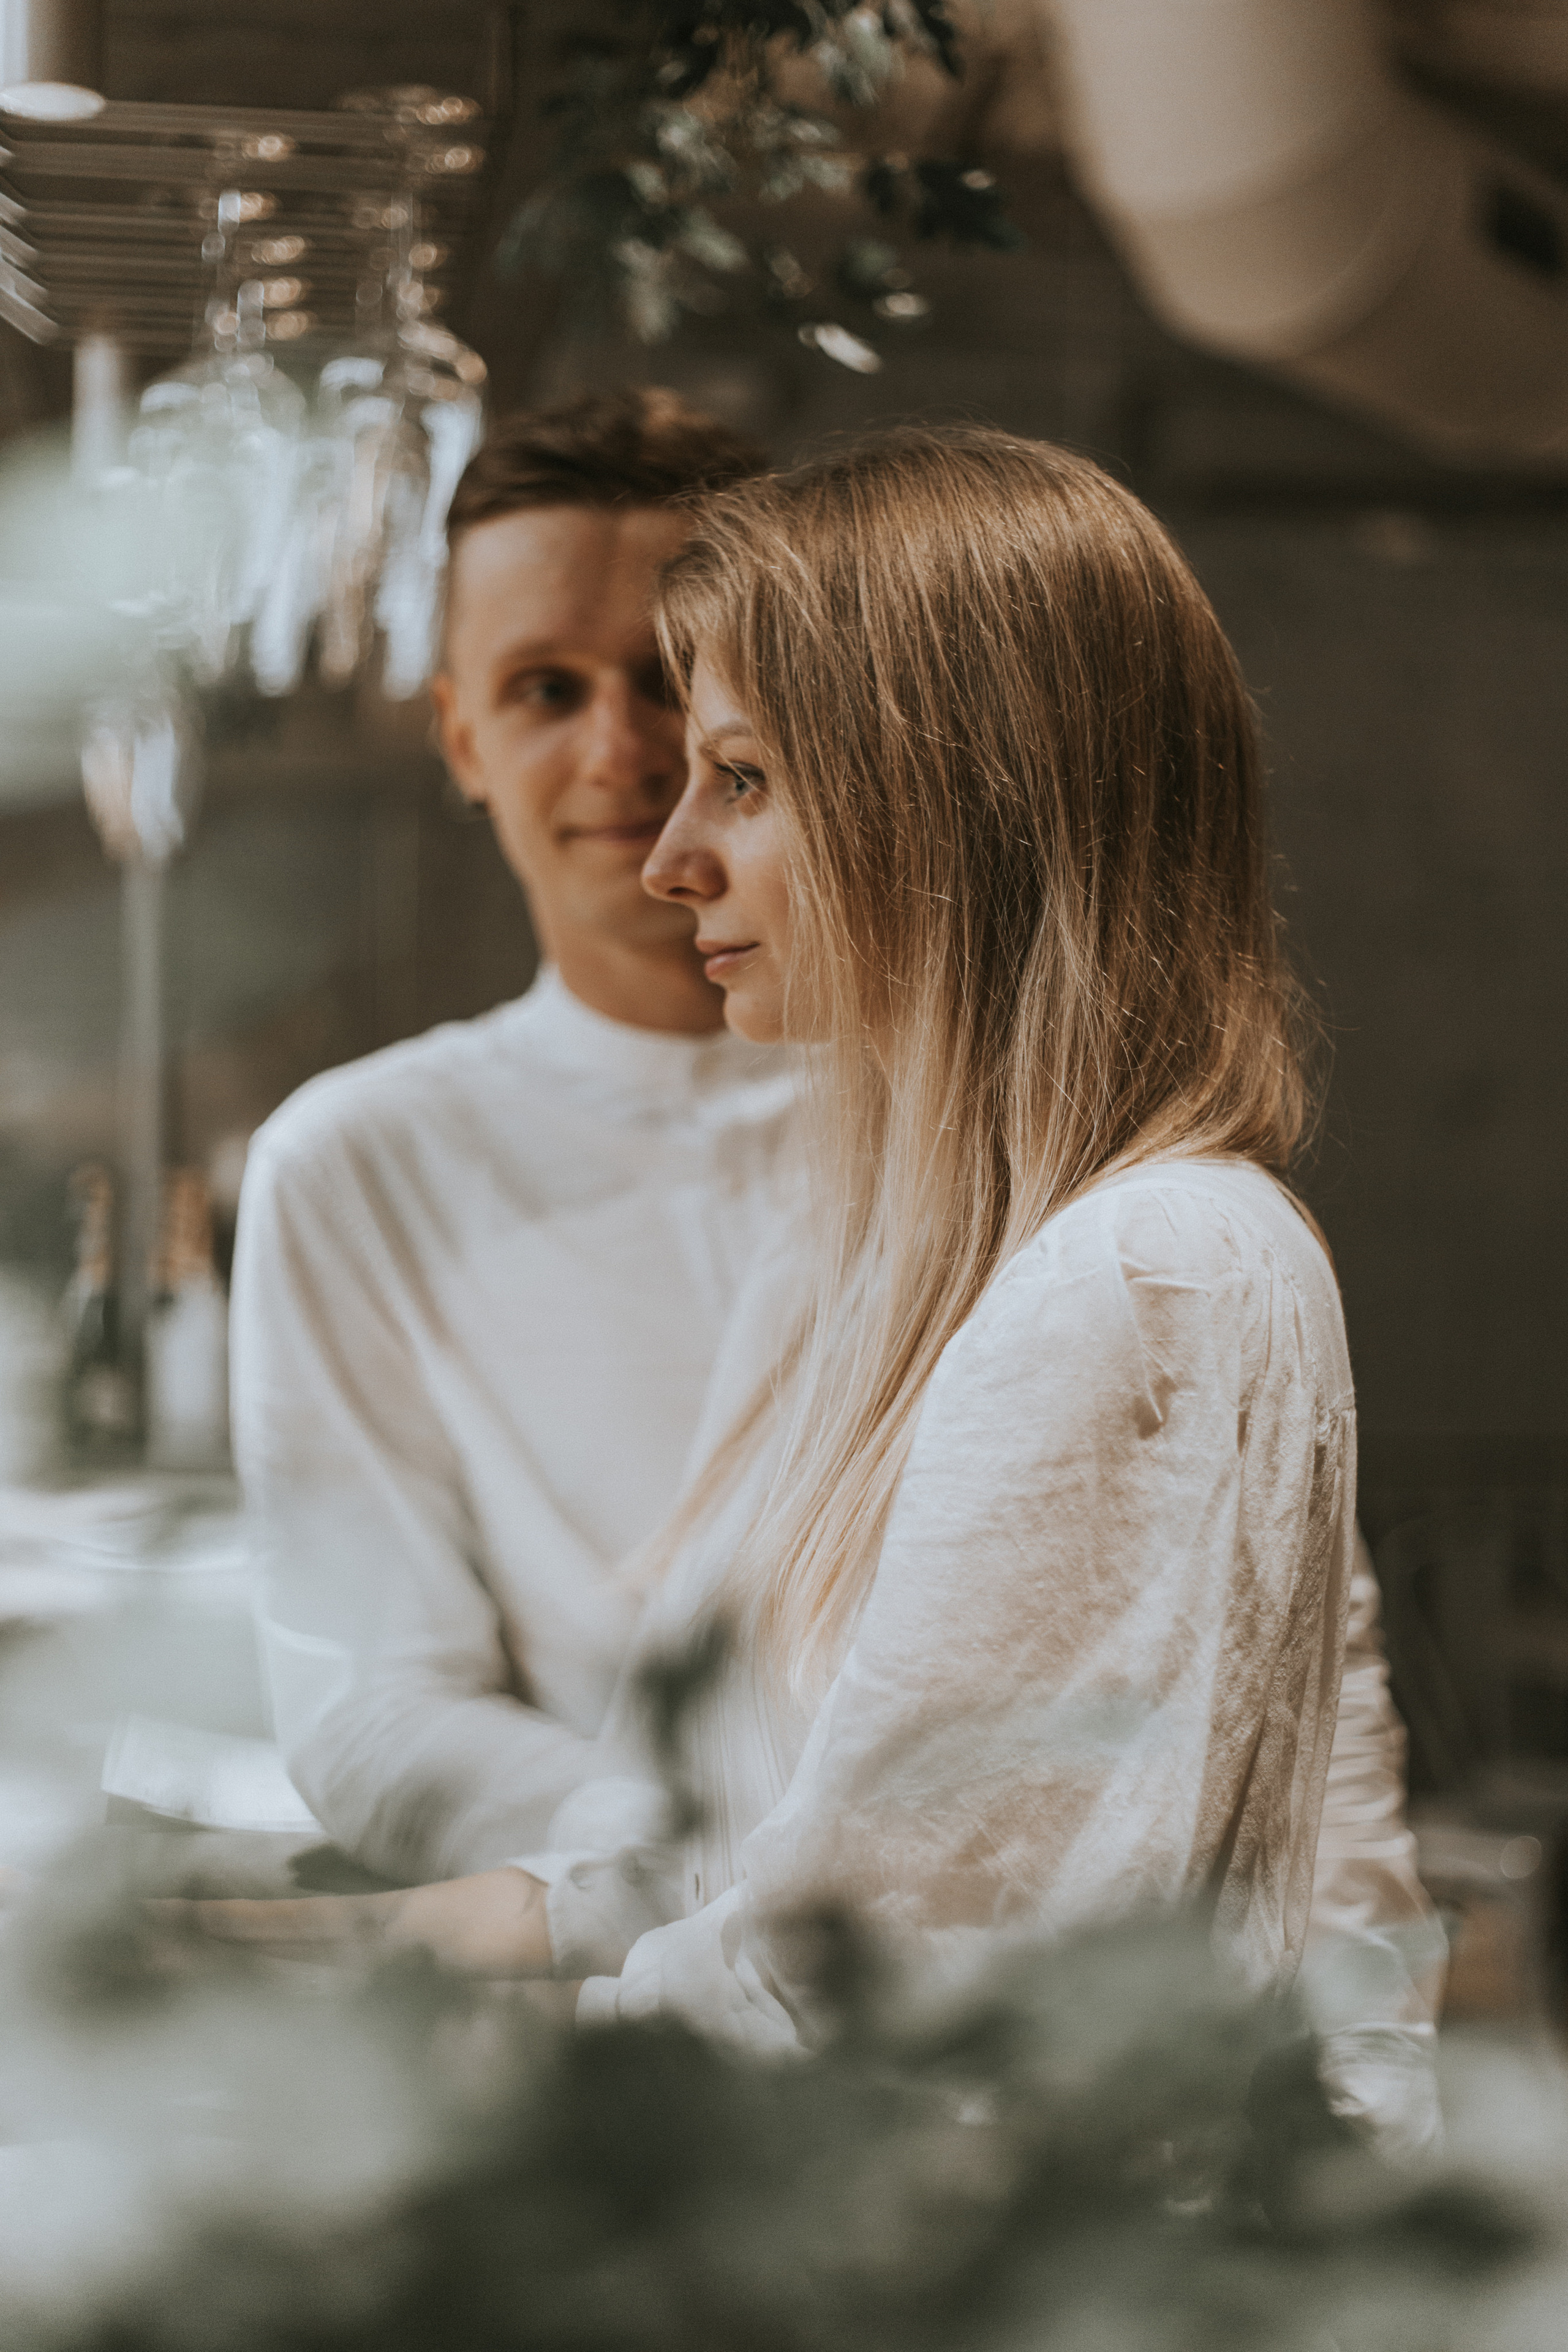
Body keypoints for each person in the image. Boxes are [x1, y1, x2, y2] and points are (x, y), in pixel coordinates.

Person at [206, 429, 1444, 2112]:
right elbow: (756, 1856)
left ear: (950, 792)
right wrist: (267, 1959)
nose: (664, 841)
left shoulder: (1142, 1272)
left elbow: (844, 1987)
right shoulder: (959, 1244)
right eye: (552, 693)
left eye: (741, 773)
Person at [229, 389, 797, 1886]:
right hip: (642, 2018)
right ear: (462, 737)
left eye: (670, 680)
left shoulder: (982, 1113)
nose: (622, 752)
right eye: (547, 689)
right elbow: (371, 1707)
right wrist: (746, 1884)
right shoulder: (355, 1165)